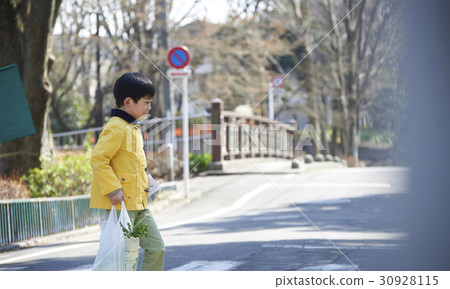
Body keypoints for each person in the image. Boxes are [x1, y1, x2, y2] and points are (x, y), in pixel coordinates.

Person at [90, 72, 165, 271]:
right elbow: (98, 158)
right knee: (118, 258)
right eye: (146, 102)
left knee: (157, 247)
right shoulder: (116, 127)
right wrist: (113, 189)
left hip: (138, 204)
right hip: (120, 204)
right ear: (128, 101)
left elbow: (133, 164)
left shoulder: (132, 127)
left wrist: (148, 181)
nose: (149, 107)